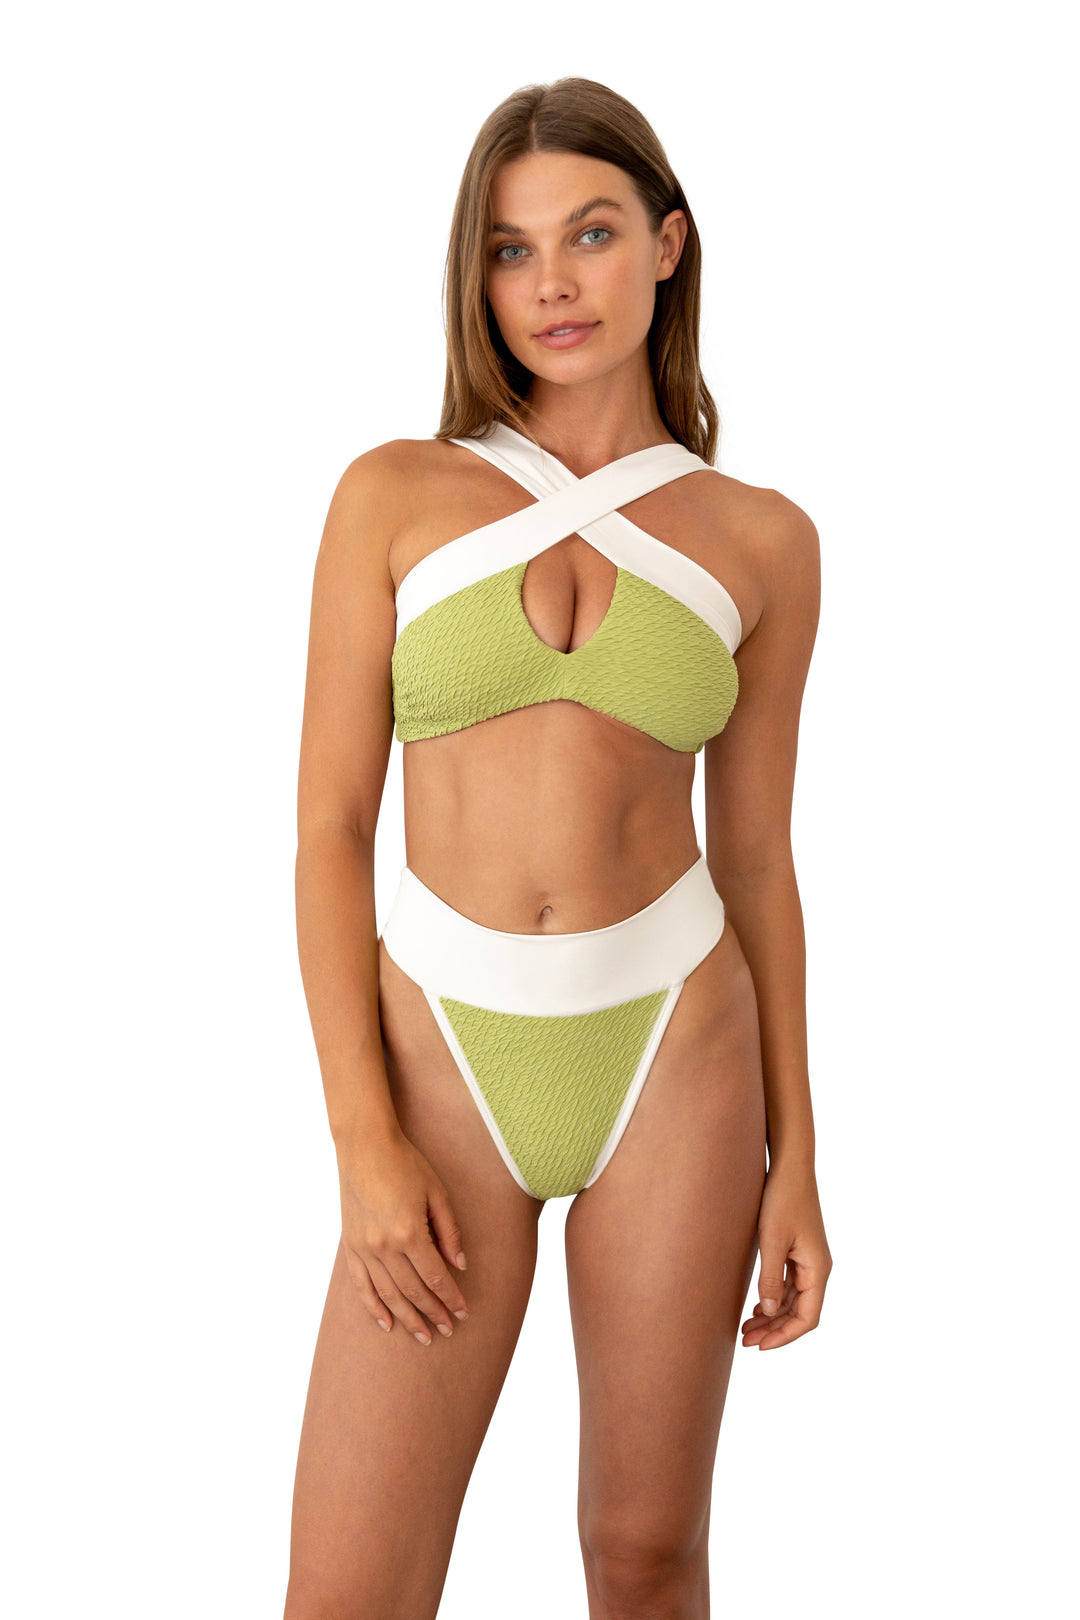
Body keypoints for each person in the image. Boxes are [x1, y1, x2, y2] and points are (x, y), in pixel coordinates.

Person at [284, 75, 832, 1620]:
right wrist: (363, 1142)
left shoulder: (765, 539)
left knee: (648, 1560)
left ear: (668, 245)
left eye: (591, 234)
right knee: (348, 1594)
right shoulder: (393, 497)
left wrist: (798, 1158)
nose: (553, 285)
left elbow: (758, 861)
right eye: (511, 251)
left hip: (679, 1051)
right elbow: (328, 831)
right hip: (440, 1058)